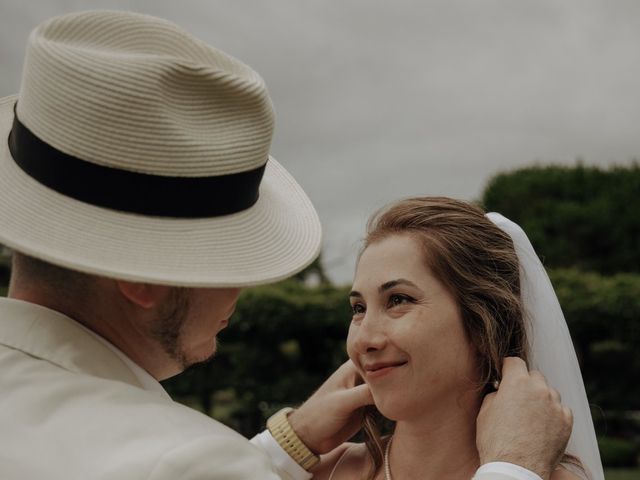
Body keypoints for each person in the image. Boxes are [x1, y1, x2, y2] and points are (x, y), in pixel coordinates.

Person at [0, 10, 573, 480]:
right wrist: (513, 470)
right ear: (142, 278)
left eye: (397, 299)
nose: (241, 291)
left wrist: (285, 446)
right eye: (231, 258)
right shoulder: (190, 462)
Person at [309, 197, 604, 480]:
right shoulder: (316, 473)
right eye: (358, 308)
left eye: (398, 300)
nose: (363, 341)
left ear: (484, 322)